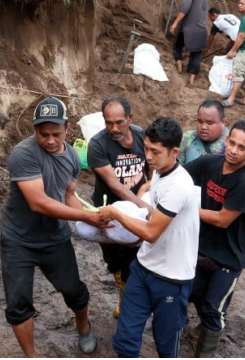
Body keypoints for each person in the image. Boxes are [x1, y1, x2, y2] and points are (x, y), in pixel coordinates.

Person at [1, 97, 108, 356]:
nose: (50, 140)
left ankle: (84, 325)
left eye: (56, 134)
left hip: (54, 238)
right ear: (35, 130)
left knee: (74, 291)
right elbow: (38, 202)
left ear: (67, 129)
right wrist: (85, 219)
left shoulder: (71, 156)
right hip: (18, 240)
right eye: (43, 134)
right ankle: (31, 356)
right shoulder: (23, 154)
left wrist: (96, 218)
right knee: (18, 304)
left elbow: (69, 195)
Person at [99, 116, 199, 358]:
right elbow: (151, 210)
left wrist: (115, 212)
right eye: (146, 148)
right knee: (124, 340)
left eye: (155, 151)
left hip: (171, 279)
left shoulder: (180, 185)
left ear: (175, 151)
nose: (149, 156)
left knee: (166, 347)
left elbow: (152, 233)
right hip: (143, 268)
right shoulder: (160, 173)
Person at [184, 119, 245, 357]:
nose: (234, 151)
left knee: (213, 310)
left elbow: (222, 219)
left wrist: (186, 211)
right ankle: (203, 327)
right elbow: (180, 175)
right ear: (226, 140)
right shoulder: (210, 163)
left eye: (242, 147)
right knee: (193, 292)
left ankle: (205, 350)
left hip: (229, 255)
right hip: (204, 246)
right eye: (232, 143)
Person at [87, 97, 151, 318]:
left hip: (137, 211)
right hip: (108, 212)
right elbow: (115, 184)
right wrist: (142, 203)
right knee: (113, 260)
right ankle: (123, 287)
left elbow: (151, 170)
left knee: (133, 260)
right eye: (108, 123)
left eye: (119, 122)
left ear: (130, 118)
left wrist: (149, 197)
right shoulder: (97, 144)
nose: (114, 128)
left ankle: (127, 303)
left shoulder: (143, 136)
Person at [170, 0, 210, 86]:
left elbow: (185, 8)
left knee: (177, 46)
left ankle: (179, 66)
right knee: (196, 54)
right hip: (201, 29)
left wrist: (175, 23)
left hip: (188, 28)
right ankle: (192, 79)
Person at [178, 99, 229, 165]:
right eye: (200, 122)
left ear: (223, 122)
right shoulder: (187, 138)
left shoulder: (232, 144)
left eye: (209, 123)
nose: (203, 127)